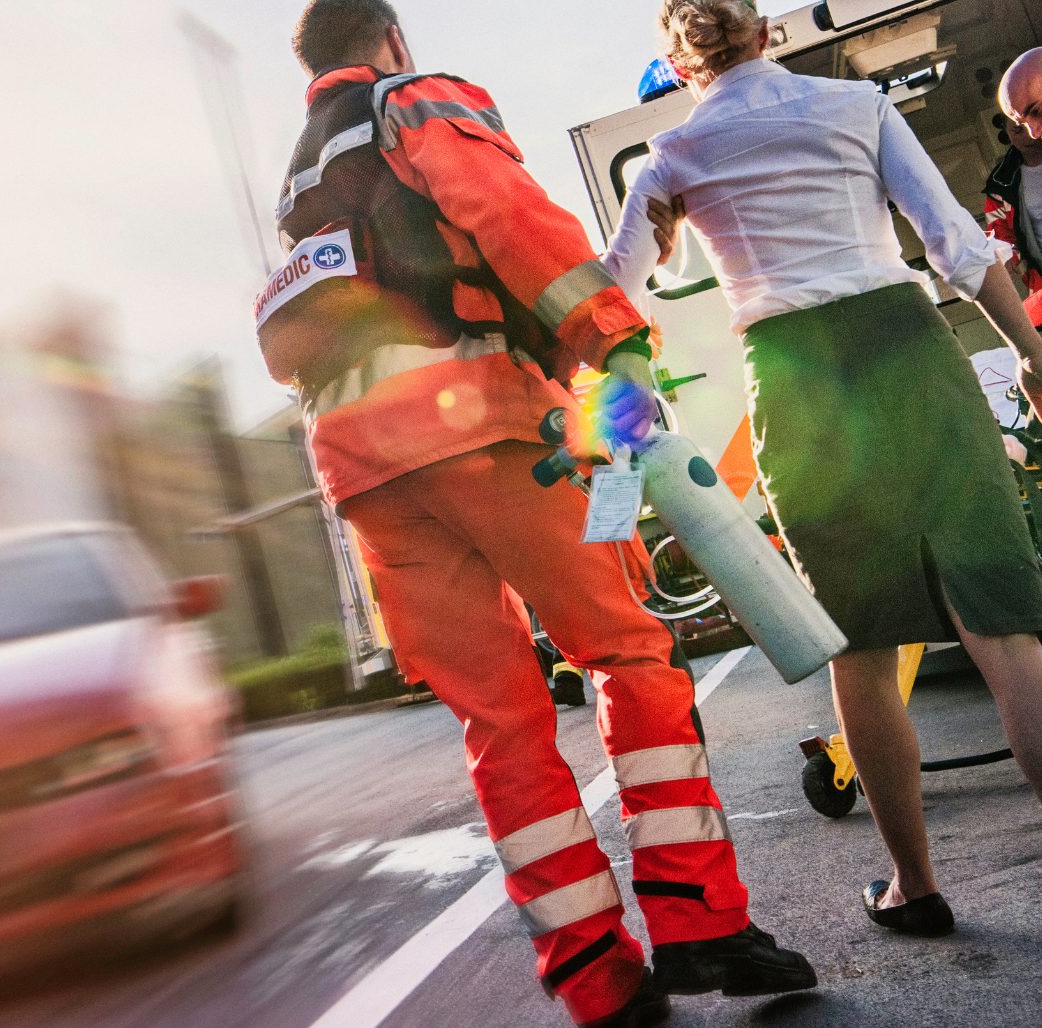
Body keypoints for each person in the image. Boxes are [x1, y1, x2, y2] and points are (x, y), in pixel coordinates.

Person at [267, 3, 815, 1025]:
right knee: (627, 653)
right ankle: (698, 925)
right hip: (479, 426)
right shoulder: (414, 101)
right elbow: (509, 219)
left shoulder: (299, 181)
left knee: (498, 724)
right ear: (391, 39)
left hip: (362, 475)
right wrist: (619, 345)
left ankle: (596, 979)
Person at [605, 0, 1042, 939]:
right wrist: (1032, 354)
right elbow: (954, 244)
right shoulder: (857, 108)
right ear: (766, 32)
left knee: (860, 649)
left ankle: (914, 887)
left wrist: (623, 435)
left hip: (794, 377)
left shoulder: (672, 158)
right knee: (1005, 630)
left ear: (679, 67)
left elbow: (612, 301)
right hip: (907, 347)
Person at [986, 49, 1042, 329]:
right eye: (1019, 126)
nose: (1033, 133)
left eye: (1037, 112)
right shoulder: (1000, 186)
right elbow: (1002, 245)